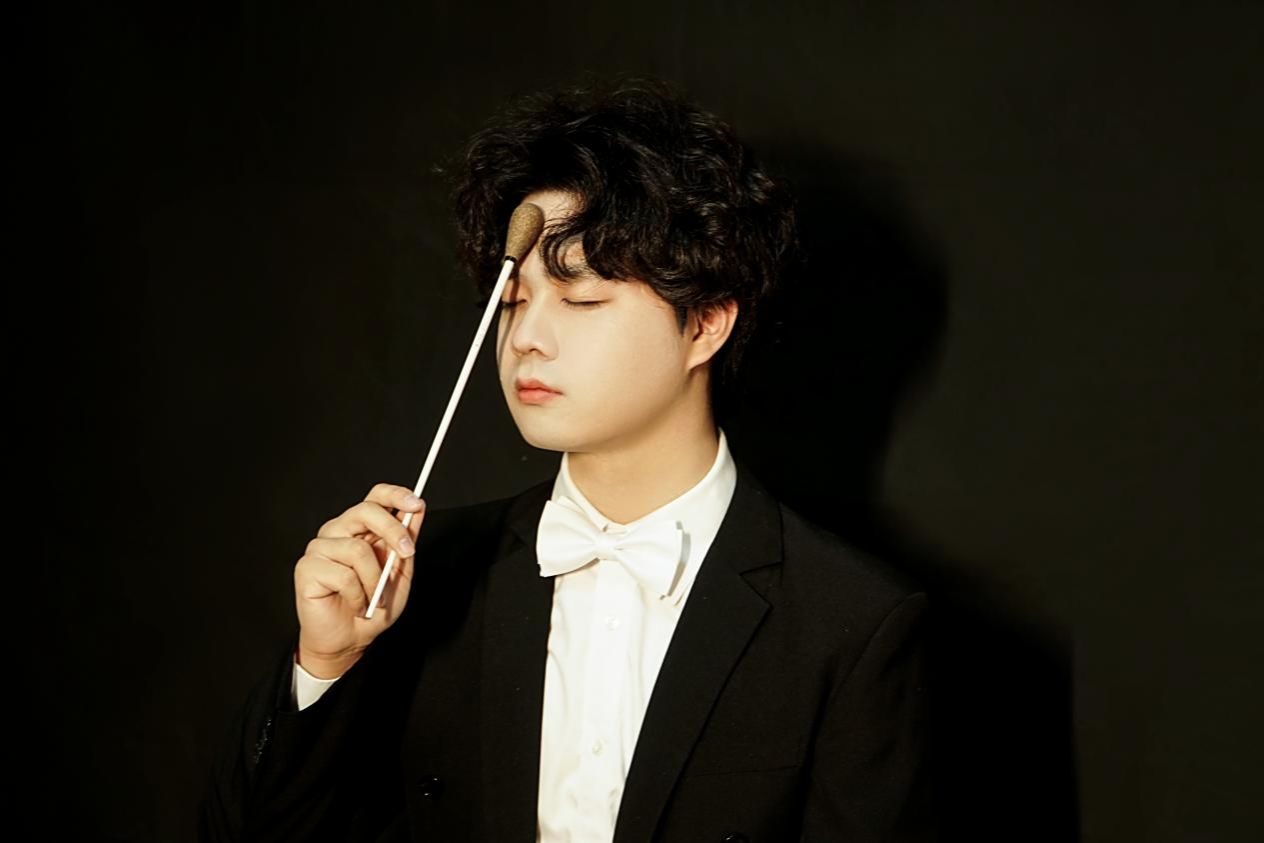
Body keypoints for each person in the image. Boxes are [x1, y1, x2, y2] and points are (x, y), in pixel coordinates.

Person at [200, 78, 933, 842]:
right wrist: (324, 663)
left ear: (706, 323)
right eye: (512, 301)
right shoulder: (410, 579)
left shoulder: (852, 624)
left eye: (580, 300)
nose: (525, 338)